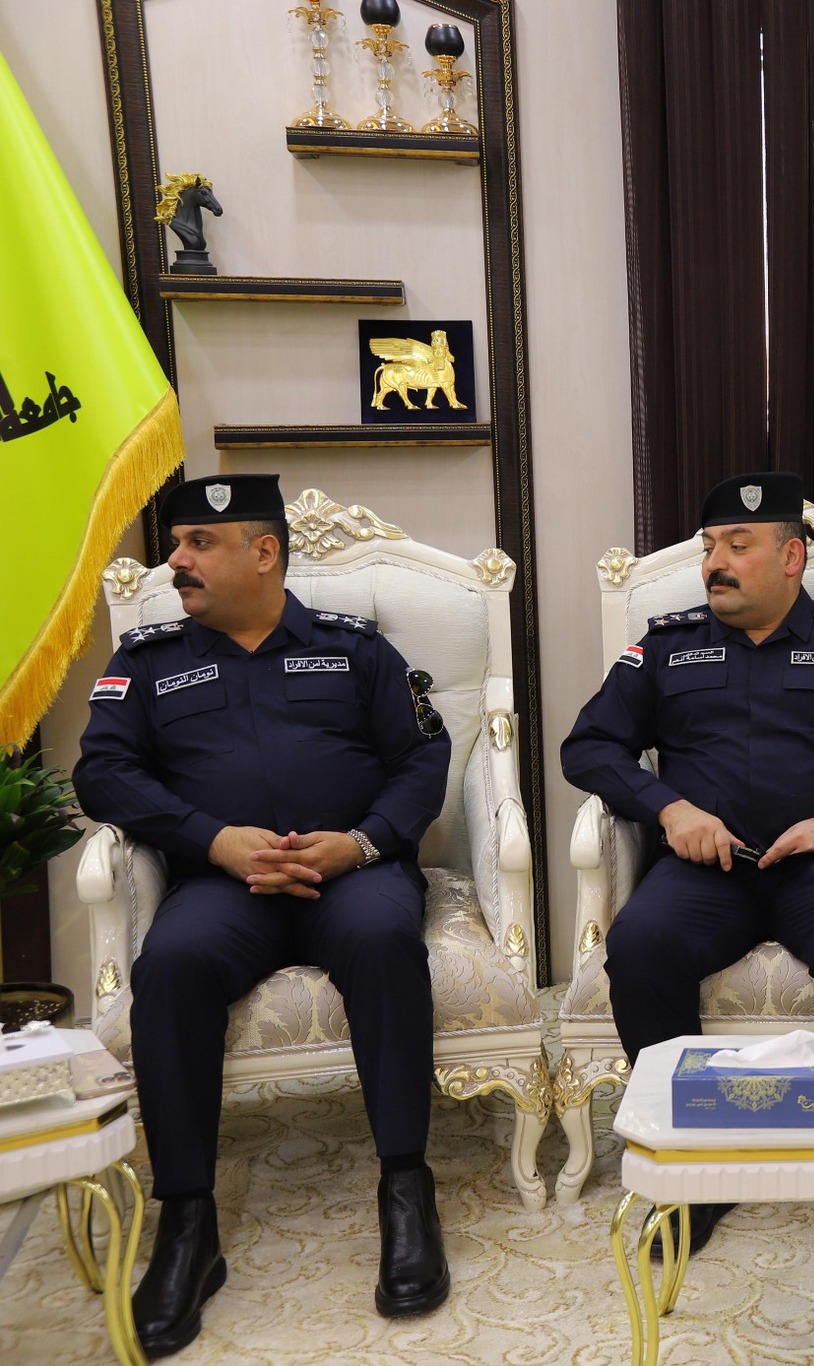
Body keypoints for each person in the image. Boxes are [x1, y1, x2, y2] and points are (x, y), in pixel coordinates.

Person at [72, 474, 453, 1356]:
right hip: (222, 886)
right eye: (178, 544)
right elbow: (103, 773)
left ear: (265, 552)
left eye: (198, 544)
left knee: (383, 938)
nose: (176, 560)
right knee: (172, 964)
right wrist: (212, 840)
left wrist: (361, 843)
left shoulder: (355, 650)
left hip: (351, 873)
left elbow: (421, 758)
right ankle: (188, 1222)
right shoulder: (146, 660)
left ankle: (405, 1186)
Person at [561, 470, 814, 1264]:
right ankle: (690, 1167)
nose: (715, 563)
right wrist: (669, 810)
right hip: (706, 870)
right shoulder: (666, 646)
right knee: (641, 944)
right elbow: (590, 746)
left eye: (737, 546)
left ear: (791, 557)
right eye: (710, 547)